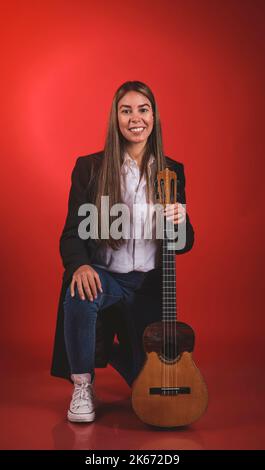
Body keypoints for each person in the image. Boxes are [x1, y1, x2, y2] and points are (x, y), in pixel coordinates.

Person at [50, 80, 194, 423]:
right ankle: (82, 384)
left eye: (143, 109)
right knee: (80, 289)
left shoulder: (171, 171)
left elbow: (183, 244)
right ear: (115, 118)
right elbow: (72, 232)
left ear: (154, 116)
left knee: (146, 387)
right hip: (106, 279)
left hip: (147, 288)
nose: (135, 118)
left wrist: (182, 220)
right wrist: (80, 266)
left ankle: (114, 353)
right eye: (125, 110)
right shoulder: (90, 167)